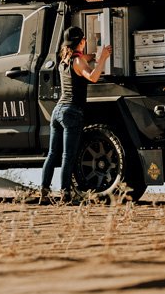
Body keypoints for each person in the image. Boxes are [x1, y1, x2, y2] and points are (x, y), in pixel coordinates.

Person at [40, 26, 112, 203]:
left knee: (52, 154)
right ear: (80, 42)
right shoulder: (78, 62)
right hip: (72, 112)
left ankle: (44, 191)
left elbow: (84, 58)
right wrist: (103, 58)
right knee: (67, 156)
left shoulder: (64, 59)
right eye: (84, 39)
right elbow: (93, 77)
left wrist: (95, 55)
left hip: (58, 112)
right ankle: (65, 194)